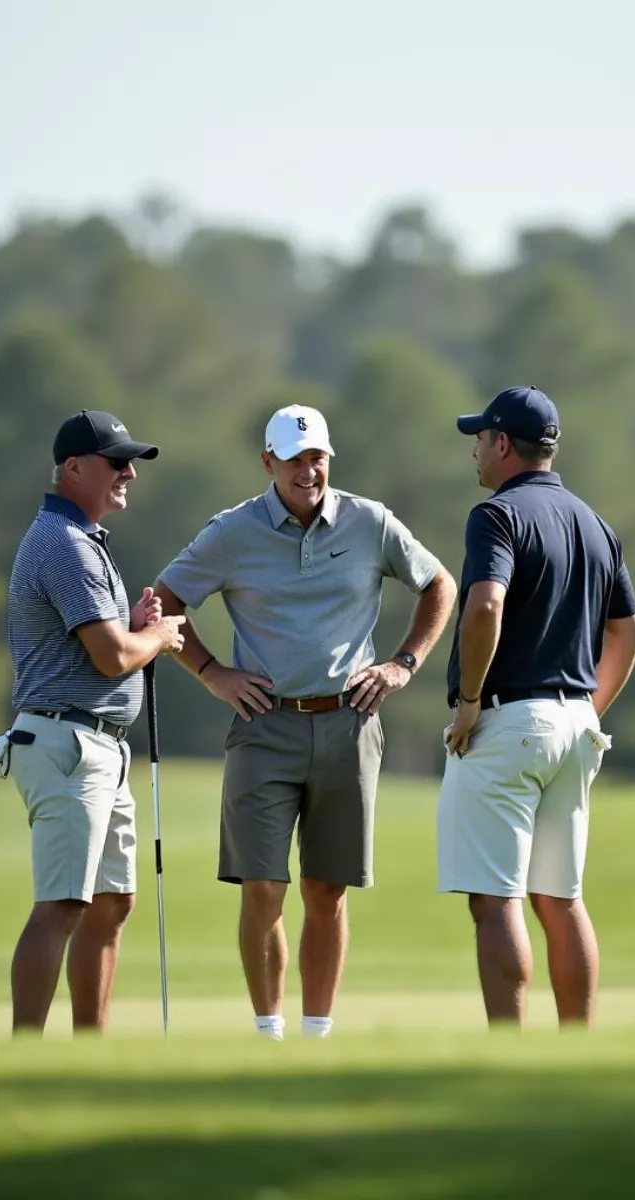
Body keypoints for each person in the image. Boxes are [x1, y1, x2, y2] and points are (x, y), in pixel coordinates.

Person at [153, 404, 457, 1040]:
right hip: (264, 727)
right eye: (293, 459)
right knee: (262, 888)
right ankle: (269, 1035)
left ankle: (317, 1036)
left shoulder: (369, 521)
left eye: (317, 456)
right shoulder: (232, 532)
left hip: (349, 725)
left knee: (327, 891)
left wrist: (403, 664)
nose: (308, 470)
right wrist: (213, 673)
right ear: (268, 463)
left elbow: (438, 585)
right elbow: (164, 600)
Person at [438, 386, 635, 1027]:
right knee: (561, 898)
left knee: (495, 900)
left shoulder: (495, 515)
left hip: (508, 723)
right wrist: (590, 711)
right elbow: (629, 632)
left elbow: (485, 605)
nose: (475, 451)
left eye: (480, 439)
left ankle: (510, 1047)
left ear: (502, 444)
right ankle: (575, 1047)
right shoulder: (595, 522)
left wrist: (470, 702)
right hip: (578, 726)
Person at [3, 409, 186, 1034]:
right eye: (117, 463)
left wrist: (138, 625)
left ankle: (90, 1049)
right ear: (74, 468)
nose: (129, 473)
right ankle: (25, 1052)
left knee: (111, 903)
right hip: (66, 744)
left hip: (97, 746)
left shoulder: (81, 542)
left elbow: (106, 642)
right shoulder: (62, 543)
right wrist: (157, 637)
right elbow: (111, 658)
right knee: (61, 905)